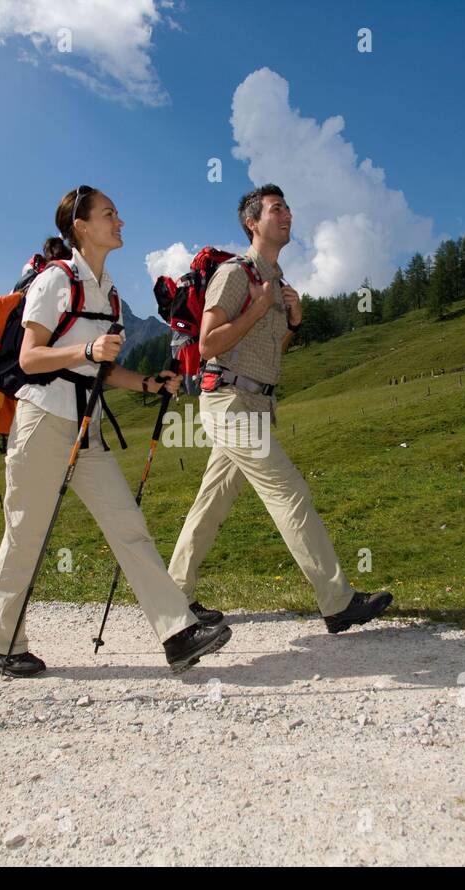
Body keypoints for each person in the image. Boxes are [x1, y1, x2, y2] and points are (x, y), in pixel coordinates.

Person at [0, 185, 232, 677]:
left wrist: (145, 383)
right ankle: (3, 646)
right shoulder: (57, 281)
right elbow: (30, 357)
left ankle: (177, 633)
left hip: (87, 427)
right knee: (25, 536)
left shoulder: (109, 291)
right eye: (110, 215)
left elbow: (103, 368)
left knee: (129, 528)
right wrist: (87, 352)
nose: (120, 222)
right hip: (42, 424)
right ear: (80, 226)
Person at [167, 184, 393, 634]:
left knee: (210, 505)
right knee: (291, 493)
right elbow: (210, 343)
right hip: (228, 402)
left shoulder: (277, 282)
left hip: (256, 404)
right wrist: (259, 306)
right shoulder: (235, 275)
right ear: (253, 223)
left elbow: (268, 353)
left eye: (288, 207)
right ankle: (337, 601)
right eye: (276, 209)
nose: (287, 214)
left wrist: (292, 321)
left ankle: (173, 597)